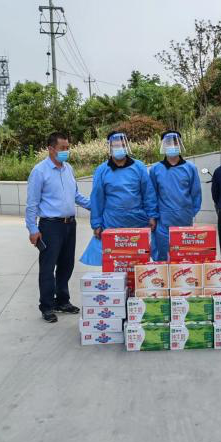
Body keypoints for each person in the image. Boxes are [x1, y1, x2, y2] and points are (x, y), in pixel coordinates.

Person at [26, 132, 91, 323]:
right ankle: (47, 306)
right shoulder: (39, 171)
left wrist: (94, 206)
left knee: (66, 264)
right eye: (62, 148)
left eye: (68, 148)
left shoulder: (68, 169)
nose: (66, 151)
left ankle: (62, 300)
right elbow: (32, 204)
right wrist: (32, 229)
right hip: (50, 226)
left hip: (70, 224)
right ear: (51, 149)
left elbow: (76, 195)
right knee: (48, 267)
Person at [80, 132, 159, 266]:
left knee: (138, 261)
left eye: (121, 145)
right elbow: (97, 199)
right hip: (112, 222)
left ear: (126, 145)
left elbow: (148, 193)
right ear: (109, 147)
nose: (119, 148)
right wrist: (96, 224)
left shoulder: (139, 167)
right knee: (115, 261)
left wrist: (152, 215)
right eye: (115, 145)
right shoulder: (102, 170)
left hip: (137, 221)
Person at [149, 131, 202, 261]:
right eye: (168, 143)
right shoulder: (155, 169)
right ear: (163, 145)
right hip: (163, 221)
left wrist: (189, 213)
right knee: (163, 257)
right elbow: (151, 195)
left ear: (180, 144)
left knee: (184, 256)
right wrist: (152, 216)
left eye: (175, 142)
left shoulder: (190, 168)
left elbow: (196, 193)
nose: (172, 146)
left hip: (184, 220)